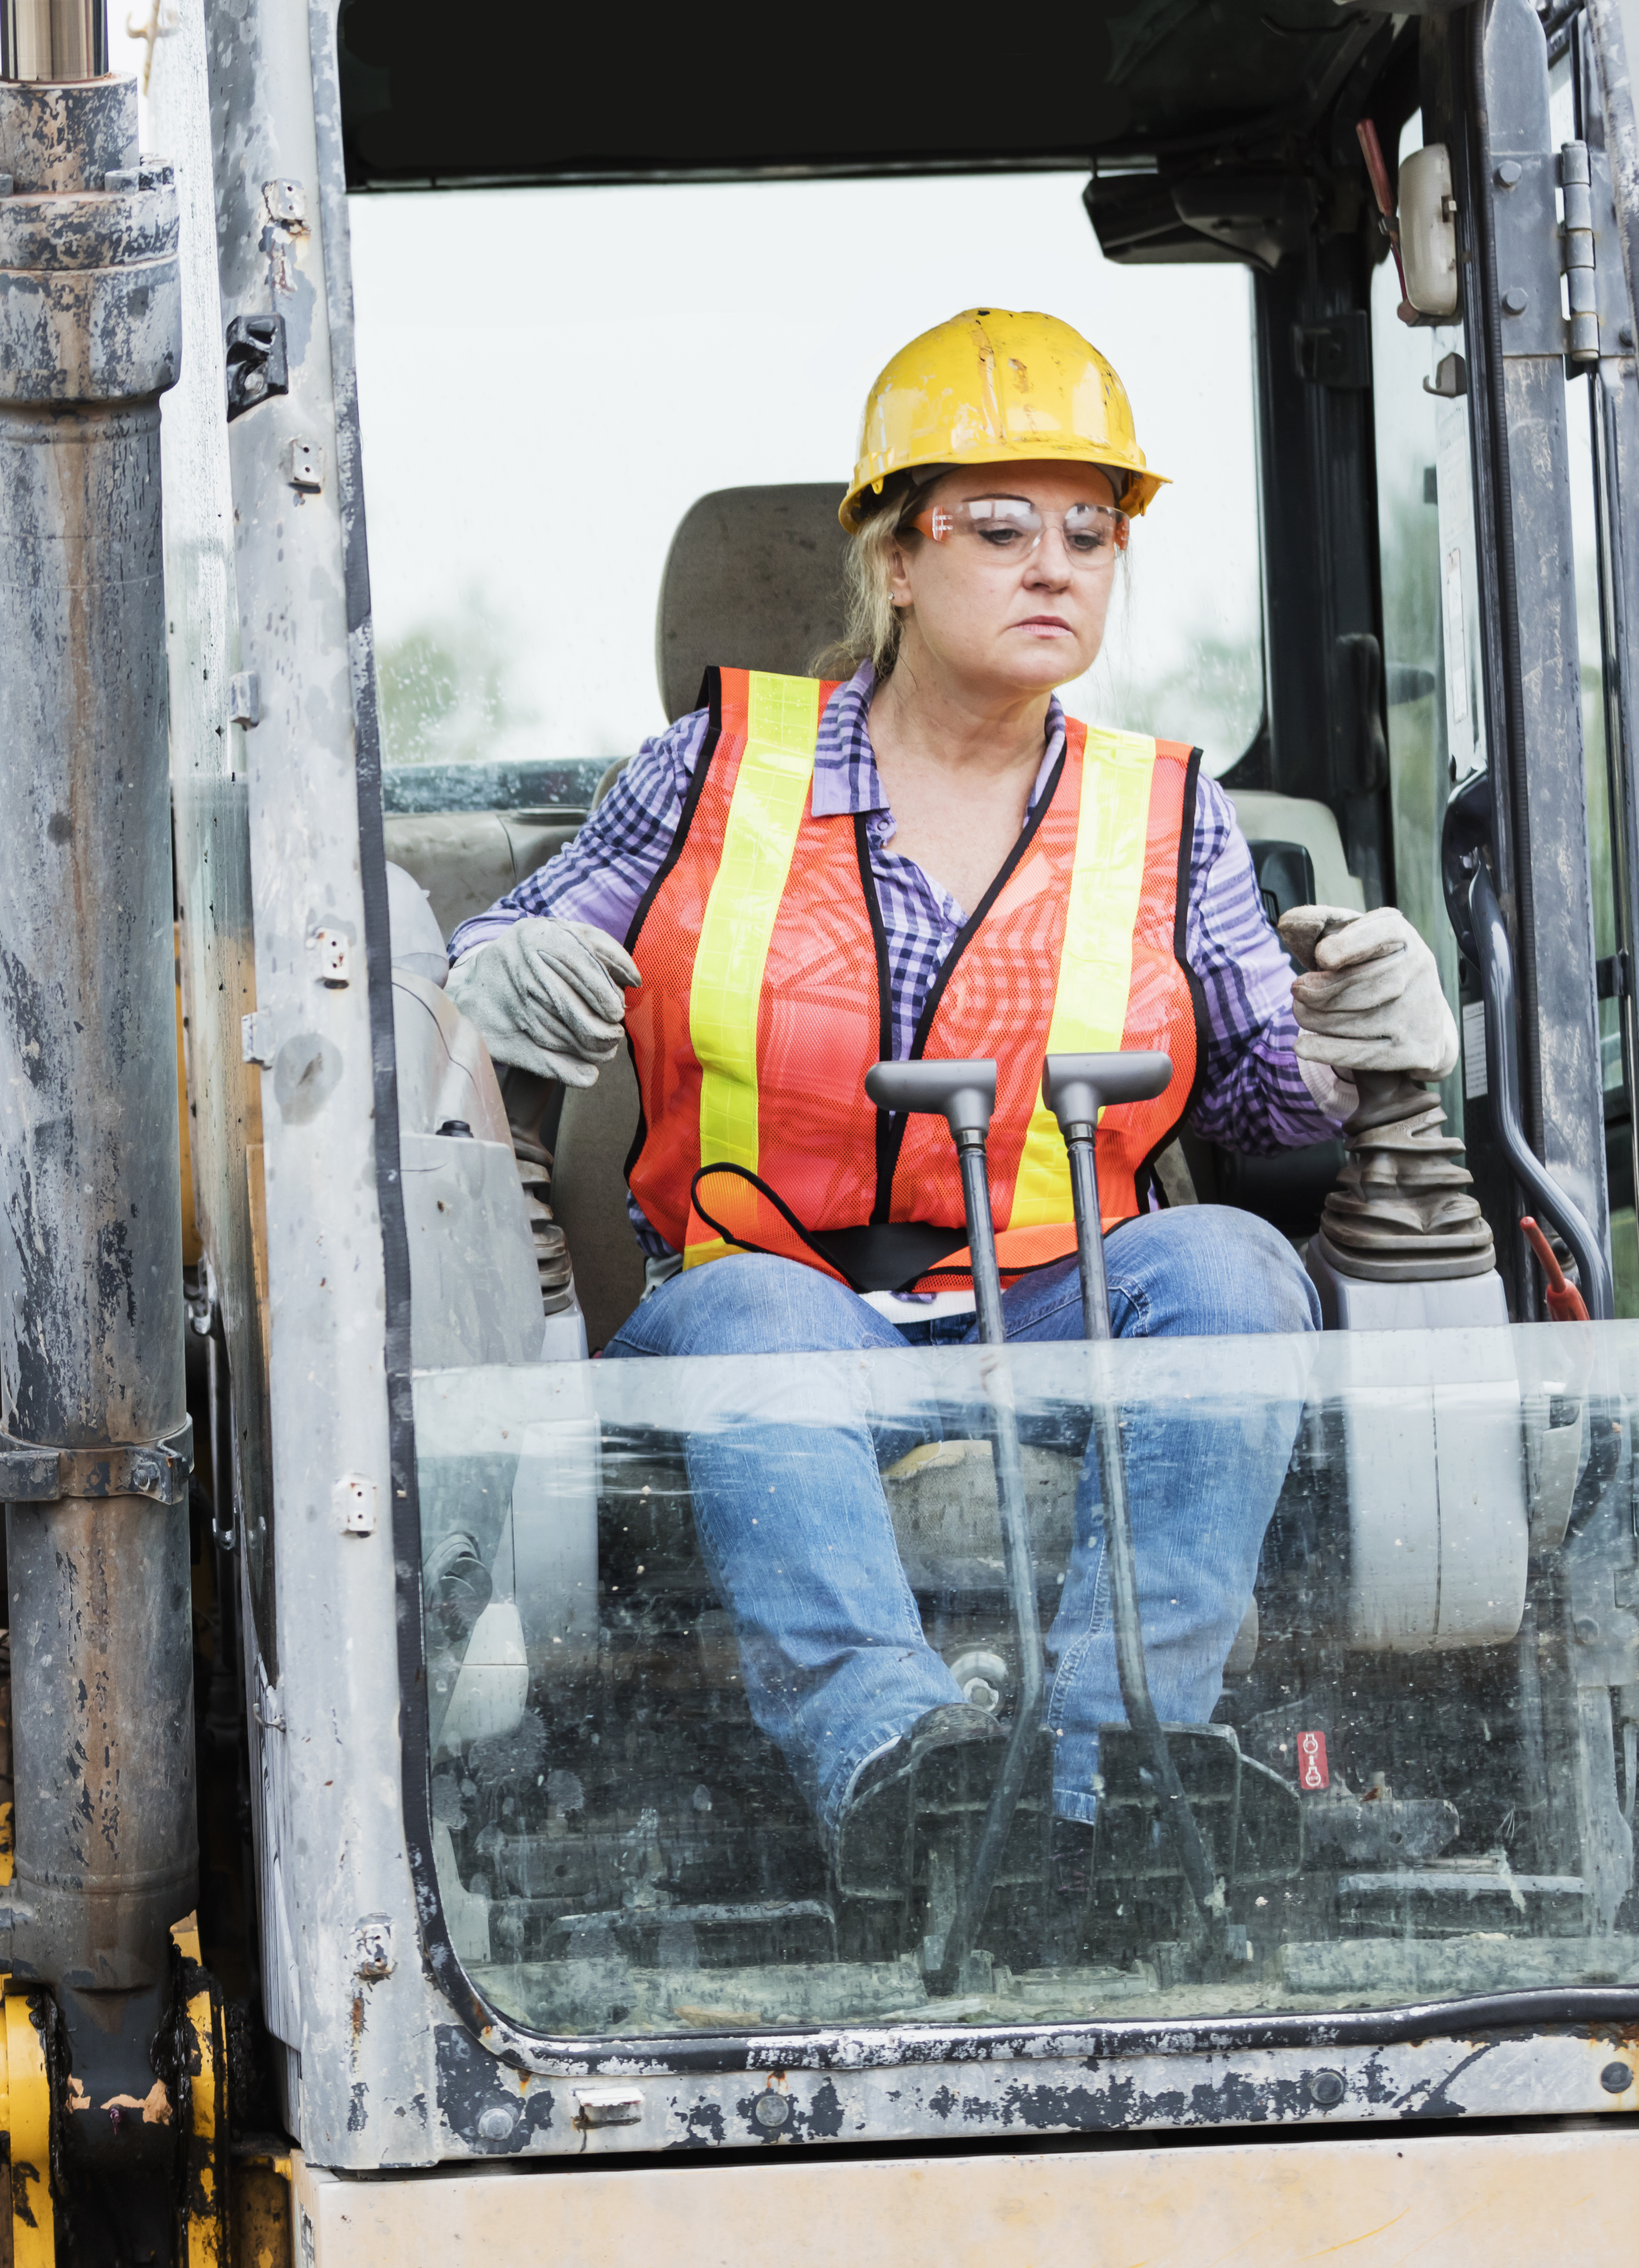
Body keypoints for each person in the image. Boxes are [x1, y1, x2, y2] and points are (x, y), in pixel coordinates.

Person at [442, 308, 1458, 1944]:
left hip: (1060, 1296)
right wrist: (497, 971)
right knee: (766, 1316)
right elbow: (470, 974)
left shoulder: (1168, 810)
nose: (1056, 563)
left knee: (1227, 1266)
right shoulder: (715, 768)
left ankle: (1119, 1766)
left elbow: (1266, 1110)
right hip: (769, 1292)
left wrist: (1367, 1049)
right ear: (894, 561)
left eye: (1091, 531)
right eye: (999, 526)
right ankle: (900, 1764)